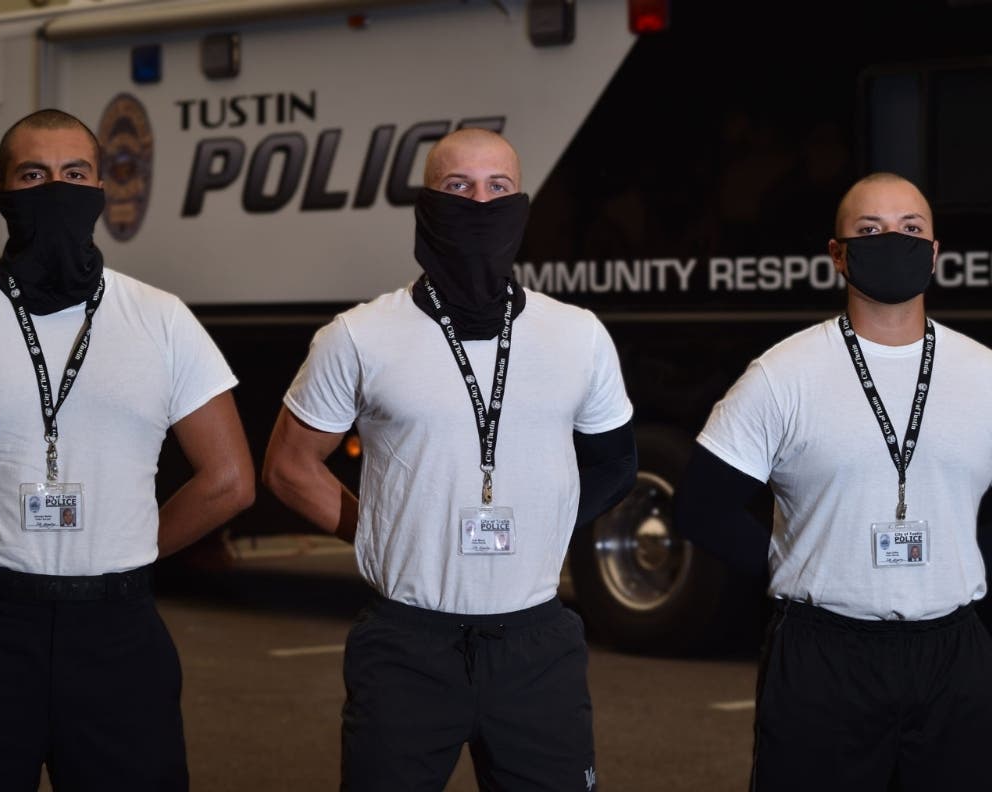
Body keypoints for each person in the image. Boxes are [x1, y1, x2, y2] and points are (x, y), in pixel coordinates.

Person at [262, 128, 636, 790]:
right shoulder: (358, 335)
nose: (480, 202)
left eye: (498, 188)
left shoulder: (577, 334)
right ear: (426, 205)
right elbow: (290, 465)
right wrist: (380, 532)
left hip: (535, 647)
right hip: (408, 644)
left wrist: (541, 528)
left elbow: (615, 463)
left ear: (522, 204)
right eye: (458, 187)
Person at [0, 109, 255, 791]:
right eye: (33, 174)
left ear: (100, 189)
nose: (56, 187)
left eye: (74, 173)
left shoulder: (160, 318)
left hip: (119, 633)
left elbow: (230, 479)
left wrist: (134, 545)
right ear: (1, 194)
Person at [673, 172, 992, 791]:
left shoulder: (983, 374)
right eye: (869, 230)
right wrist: (790, 565)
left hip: (955, 655)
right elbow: (702, 507)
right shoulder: (782, 375)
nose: (891, 240)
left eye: (910, 229)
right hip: (824, 655)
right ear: (837, 255)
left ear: (934, 253)